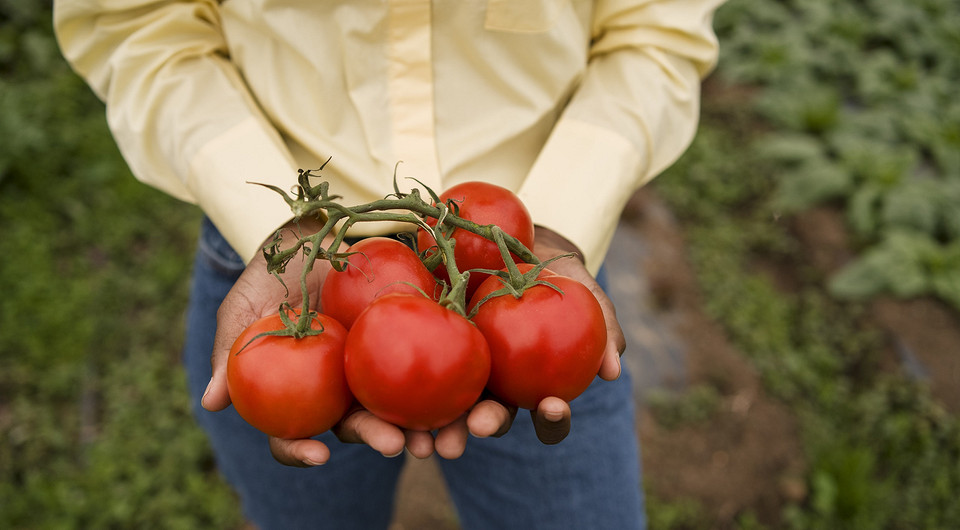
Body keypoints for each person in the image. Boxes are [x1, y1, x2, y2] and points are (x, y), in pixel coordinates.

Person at [54, 1, 722, 528]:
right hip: (290, 285)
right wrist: (282, 224)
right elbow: (137, 21)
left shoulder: (533, 275)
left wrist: (554, 226)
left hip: (532, 267)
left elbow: (656, 29)